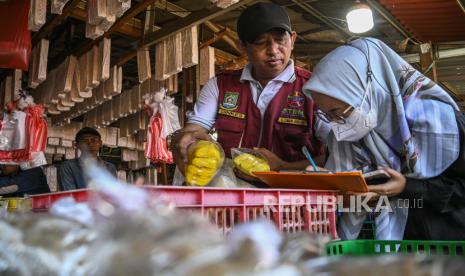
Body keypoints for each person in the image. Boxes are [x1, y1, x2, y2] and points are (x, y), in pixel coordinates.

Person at [302, 37, 465, 240]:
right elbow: (367, 186)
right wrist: (335, 181)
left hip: (447, 244)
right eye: (328, 116)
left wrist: (406, 187)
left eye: (338, 112)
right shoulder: (360, 132)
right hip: (396, 251)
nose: (336, 125)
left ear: (367, 92)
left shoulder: (443, 123)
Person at [171, 2, 327, 182]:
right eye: (261, 42)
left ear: (292, 39)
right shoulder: (220, 85)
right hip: (234, 197)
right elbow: (195, 128)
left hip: (296, 198)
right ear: (242, 47)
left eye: (281, 40)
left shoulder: (315, 89)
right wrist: (187, 139)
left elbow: (337, 156)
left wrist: (283, 167)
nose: (273, 51)